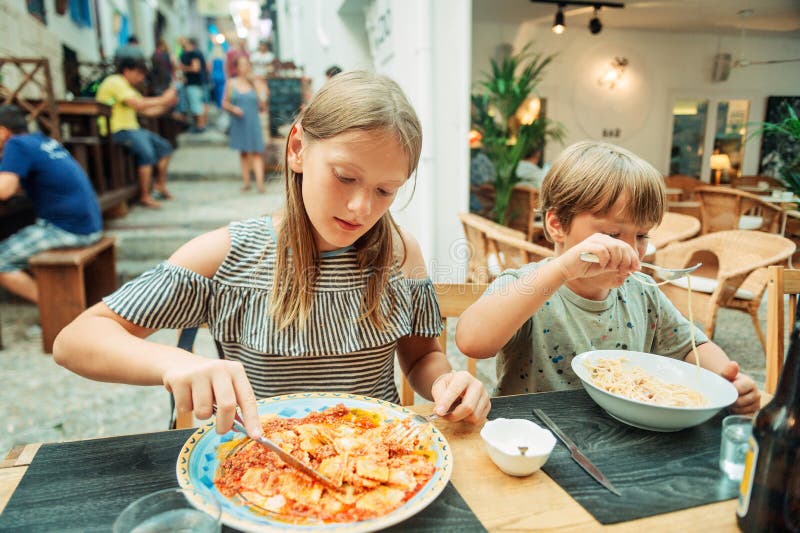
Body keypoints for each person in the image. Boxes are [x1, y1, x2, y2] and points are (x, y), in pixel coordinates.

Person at [54, 70, 491, 438]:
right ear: (298, 148)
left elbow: (420, 356)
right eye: (344, 177)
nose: (362, 208)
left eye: (384, 191)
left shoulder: (400, 253)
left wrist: (447, 384)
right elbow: (75, 340)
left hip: (377, 459)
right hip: (267, 463)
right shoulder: (228, 255)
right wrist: (175, 362)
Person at [455, 140, 760, 415]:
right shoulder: (530, 286)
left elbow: (688, 345)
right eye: (612, 234)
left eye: (641, 235)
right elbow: (472, 342)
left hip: (620, 434)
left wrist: (725, 378)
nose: (628, 248)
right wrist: (562, 269)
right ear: (557, 224)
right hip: (531, 437)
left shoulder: (642, 293)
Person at [0, 105, 102, 303]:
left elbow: (5, 189)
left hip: (68, 229)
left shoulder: (17, 145)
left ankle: (57, 310)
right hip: (88, 224)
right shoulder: (42, 141)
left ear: (3, 131)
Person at [95, 57, 178, 208]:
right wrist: (163, 99)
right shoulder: (115, 81)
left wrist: (167, 104)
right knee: (147, 153)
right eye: (138, 73)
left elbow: (148, 111)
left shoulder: (129, 88)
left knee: (165, 148)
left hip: (134, 130)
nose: (141, 78)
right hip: (116, 130)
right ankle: (144, 195)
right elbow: (139, 104)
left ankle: (159, 185)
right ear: (127, 70)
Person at [223, 56, 267, 192]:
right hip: (239, 122)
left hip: (253, 121)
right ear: (236, 67)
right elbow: (224, 103)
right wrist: (233, 109)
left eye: (246, 65)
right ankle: (247, 182)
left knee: (257, 152)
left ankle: (260, 184)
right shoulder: (231, 83)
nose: (244, 68)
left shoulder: (255, 83)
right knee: (243, 152)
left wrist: (263, 91)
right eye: (241, 65)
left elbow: (262, 105)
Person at [178, 37, 208, 133]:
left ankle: (200, 125)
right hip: (195, 82)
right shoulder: (191, 53)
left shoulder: (194, 53)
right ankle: (200, 125)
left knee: (197, 104)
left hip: (195, 82)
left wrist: (182, 67)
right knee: (198, 104)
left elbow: (195, 68)